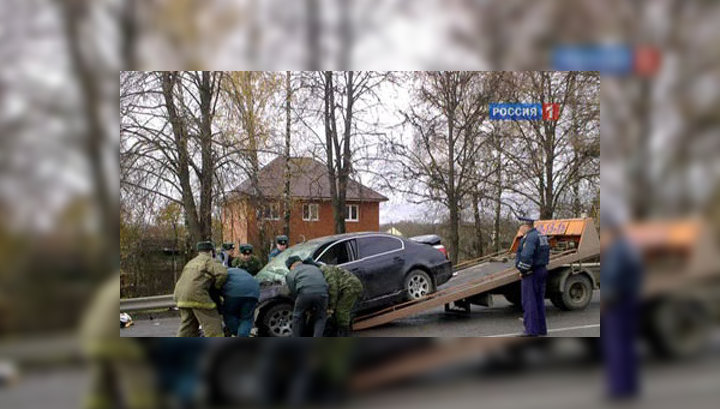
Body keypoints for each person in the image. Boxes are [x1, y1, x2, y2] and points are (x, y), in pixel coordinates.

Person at [601, 212, 643, 400]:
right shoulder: (629, 246)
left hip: (618, 301)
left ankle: (619, 389)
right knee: (628, 344)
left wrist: (606, 299)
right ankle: (630, 385)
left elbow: (612, 276)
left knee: (617, 345)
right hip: (630, 298)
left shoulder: (617, 249)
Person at [174, 241, 228, 337]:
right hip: (197, 295)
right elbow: (222, 273)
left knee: (188, 326)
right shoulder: (209, 261)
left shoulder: (191, 262)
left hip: (180, 295)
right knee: (213, 324)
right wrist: (216, 286)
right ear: (211, 251)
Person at [515, 216, 550, 336]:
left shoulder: (529, 238)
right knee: (539, 301)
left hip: (531, 273)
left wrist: (522, 270)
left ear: (526, 226)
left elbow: (526, 256)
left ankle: (531, 331)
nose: (520, 228)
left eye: (521, 226)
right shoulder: (541, 235)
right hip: (541, 270)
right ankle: (541, 328)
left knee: (529, 302)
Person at [311, 260, 364, 337]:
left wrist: (331, 307)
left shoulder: (326, 270)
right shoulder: (324, 271)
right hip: (345, 288)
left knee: (341, 311)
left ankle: (345, 334)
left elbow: (333, 289)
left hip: (350, 287)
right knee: (341, 312)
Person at [285, 255, 329, 337]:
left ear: (292, 266)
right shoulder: (314, 268)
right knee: (321, 317)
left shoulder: (290, 274)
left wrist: (300, 303)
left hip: (304, 293)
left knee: (297, 316)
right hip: (323, 293)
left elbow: (294, 291)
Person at [221, 267, 260, 337]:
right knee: (246, 318)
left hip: (233, 293)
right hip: (254, 292)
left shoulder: (223, 273)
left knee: (230, 314)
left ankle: (236, 332)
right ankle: (242, 335)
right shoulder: (238, 271)